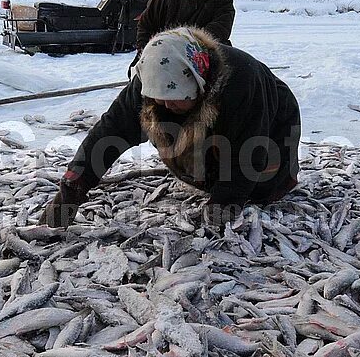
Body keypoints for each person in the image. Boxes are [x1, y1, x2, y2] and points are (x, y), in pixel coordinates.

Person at [41, 26, 301, 233]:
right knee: (180, 140)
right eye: (158, 96)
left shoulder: (240, 83)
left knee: (261, 184)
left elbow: (247, 155)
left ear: (196, 81)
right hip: (219, 128)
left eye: (175, 95)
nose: (165, 103)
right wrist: (71, 191)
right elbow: (109, 133)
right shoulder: (152, 77)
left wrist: (223, 206)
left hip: (271, 131)